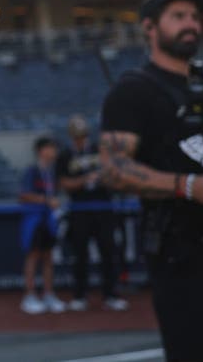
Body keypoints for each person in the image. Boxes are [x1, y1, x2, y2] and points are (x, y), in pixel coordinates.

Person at [99, 0, 203, 361]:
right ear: (149, 27)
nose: (191, 24)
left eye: (194, 16)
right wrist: (187, 186)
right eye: (178, 16)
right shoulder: (134, 91)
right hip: (184, 254)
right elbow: (113, 169)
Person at [55, 114, 127, 312]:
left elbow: (115, 176)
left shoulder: (99, 150)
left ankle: (111, 295)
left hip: (103, 208)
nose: (81, 139)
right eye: (77, 136)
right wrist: (84, 180)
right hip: (79, 210)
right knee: (80, 254)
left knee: (108, 252)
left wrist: (102, 177)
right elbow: (63, 183)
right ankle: (79, 296)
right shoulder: (65, 155)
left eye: (83, 135)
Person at [18, 136, 65, 315]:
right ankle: (29, 296)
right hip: (34, 220)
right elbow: (23, 195)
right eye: (50, 148)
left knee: (48, 257)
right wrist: (46, 200)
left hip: (49, 220)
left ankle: (48, 294)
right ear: (41, 151)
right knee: (33, 256)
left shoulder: (52, 173)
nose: (54, 152)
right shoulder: (32, 171)